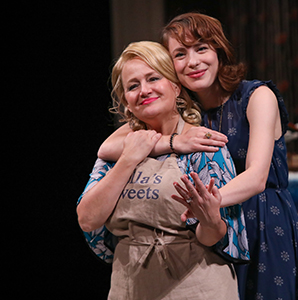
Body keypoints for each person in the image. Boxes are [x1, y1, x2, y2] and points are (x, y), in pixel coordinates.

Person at [99, 13, 298, 300]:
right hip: (210, 232)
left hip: (261, 222)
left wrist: (204, 205)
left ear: (218, 51)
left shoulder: (256, 96)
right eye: (180, 54)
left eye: (201, 48)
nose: (193, 62)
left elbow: (257, 177)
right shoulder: (184, 108)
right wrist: (173, 142)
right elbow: (108, 148)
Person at [77, 41, 250, 300]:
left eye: (153, 78)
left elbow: (215, 236)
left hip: (195, 285)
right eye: (133, 86)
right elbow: (88, 219)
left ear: (175, 87)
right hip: (129, 286)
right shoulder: (117, 151)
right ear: (126, 101)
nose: (144, 90)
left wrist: (210, 220)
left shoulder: (202, 144)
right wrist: (128, 160)